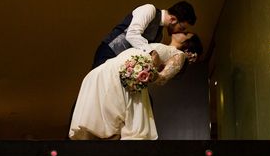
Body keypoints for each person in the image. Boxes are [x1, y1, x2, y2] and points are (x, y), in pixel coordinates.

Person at [70, 32, 203, 140]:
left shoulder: (179, 55)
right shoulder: (160, 44)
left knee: (114, 116)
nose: (181, 30)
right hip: (119, 65)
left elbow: (162, 79)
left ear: (188, 46)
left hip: (126, 69)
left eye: (186, 33)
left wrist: (146, 71)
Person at [92, 1, 196, 68]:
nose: (179, 31)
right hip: (110, 52)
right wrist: (152, 52)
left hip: (123, 65)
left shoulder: (160, 36)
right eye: (181, 28)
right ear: (173, 19)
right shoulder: (149, 9)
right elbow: (132, 34)